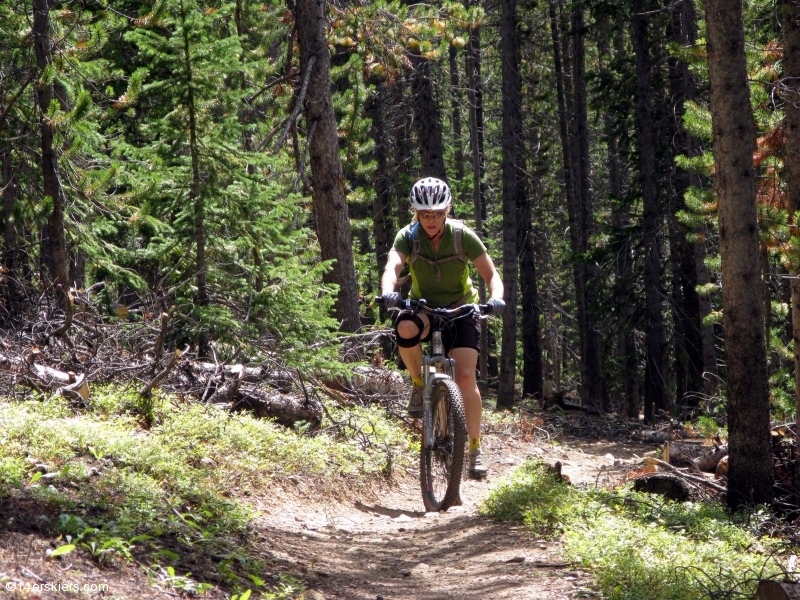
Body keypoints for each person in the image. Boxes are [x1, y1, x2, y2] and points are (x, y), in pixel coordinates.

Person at [380, 177, 505, 480]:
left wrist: (496, 301)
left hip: (462, 309)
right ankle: (419, 381)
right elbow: (392, 267)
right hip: (423, 308)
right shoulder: (408, 237)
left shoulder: (463, 236)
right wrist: (389, 293)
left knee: (464, 378)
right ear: (416, 213)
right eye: (425, 214)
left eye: (437, 213)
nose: (431, 219)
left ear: (447, 210)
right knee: (405, 327)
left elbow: (492, 275)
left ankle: (474, 448)